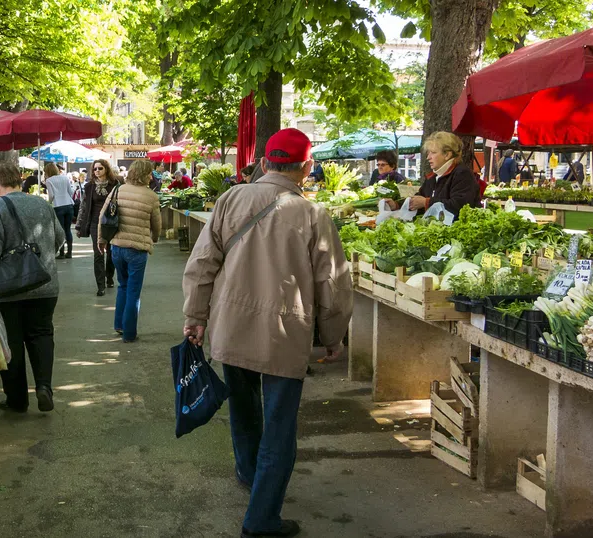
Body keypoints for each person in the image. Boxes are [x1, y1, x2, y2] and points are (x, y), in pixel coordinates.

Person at [181, 128, 353, 538]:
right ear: (307, 168)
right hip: (284, 330)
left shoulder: (230, 199)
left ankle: (247, 471)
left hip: (231, 323)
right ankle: (261, 518)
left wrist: (196, 314)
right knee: (279, 424)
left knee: (243, 406)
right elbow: (333, 283)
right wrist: (333, 336)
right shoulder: (313, 215)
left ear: (262, 163)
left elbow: (202, 262)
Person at [0, 163, 65, 413]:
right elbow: (59, 238)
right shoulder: (41, 204)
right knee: (42, 335)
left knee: (11, 341)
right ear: (19, 180)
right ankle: (44, 387)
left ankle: (16, 399)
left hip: (9, 288)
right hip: (45, 284)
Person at [97, 161, 161, 342]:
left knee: (122, 286)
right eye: (150, 173)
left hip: (117, 247)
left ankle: (119, 325)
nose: (151, 176)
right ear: (145, 174)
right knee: (133, 291)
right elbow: (156, 224)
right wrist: (154, 238)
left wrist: (101, 240)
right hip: (137, 250)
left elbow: (103, 216)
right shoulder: (151, 196)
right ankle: (129, 333)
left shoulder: (118, 190)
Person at [384, 132, 483, 217]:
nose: (428, 157)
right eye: (428, 153)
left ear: (447, 155)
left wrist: (426, 202)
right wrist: (396, 205)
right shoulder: (434, 176)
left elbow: (459, 205)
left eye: (433, 153)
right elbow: (419, 198)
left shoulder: (462, 174)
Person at [76, 159, 118, 296]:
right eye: (95, 169)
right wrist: (79, 225)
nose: (97, 171)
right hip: (95, 223)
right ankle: (100, 286)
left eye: (100, 168)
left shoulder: (115, 185)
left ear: (106, 169)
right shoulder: (89, 186)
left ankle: (109, 276)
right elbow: (83, 206)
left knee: (111, 253)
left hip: (111, 222)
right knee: (98, 253)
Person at [44, 163, 75, 259]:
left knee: (60, 230)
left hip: (58, 206)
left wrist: (48, 203)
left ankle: (61, 252)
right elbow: (71, 192)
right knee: (68, 229)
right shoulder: (65, 178)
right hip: (69, 205)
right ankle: (69, 252)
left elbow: (51, 195)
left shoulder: (49, 181)